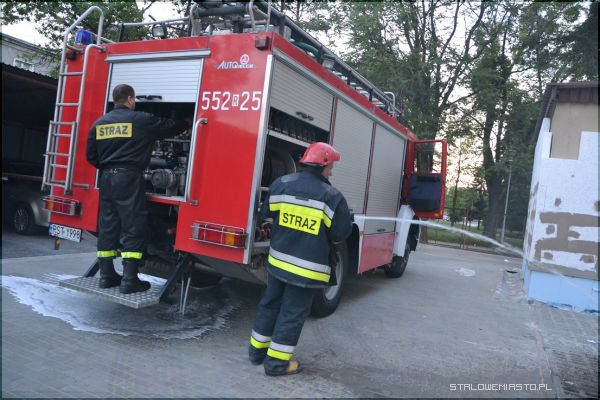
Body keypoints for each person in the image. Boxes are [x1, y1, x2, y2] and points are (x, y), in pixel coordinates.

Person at [248, 142, 353, 376]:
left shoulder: (281, 183)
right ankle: (276, 364)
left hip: (277, 262)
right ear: (323, 166)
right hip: (307, 269)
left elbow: (266, 214)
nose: (331, 172)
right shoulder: (333, 197)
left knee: (269, 304)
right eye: (331, 167)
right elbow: (339, 235)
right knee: (292, 312)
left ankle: (257, 353)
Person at [86, 84, 189, 294]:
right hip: (129, 178)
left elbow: (91, 156)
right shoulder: (141, 119)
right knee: (133, 226)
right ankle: (129, 280)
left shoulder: (99, 124)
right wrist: (186, 122)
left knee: (108, 225)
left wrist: (109, 168)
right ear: (130, 99)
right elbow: (169, 127)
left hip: (106, 178)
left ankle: (106, 276)